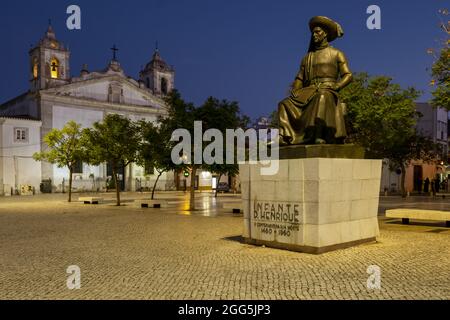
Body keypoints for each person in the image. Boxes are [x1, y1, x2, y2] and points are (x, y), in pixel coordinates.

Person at [278, 16, 353, 145]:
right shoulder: (307, 57)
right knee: (284, 103)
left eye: (317, 32)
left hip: (328, 89)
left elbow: (348, 75)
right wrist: (295, 90)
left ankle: (318, 135)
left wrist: (337, 86)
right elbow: (300, 77)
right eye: (313, 32)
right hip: (309, 91)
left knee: (322, 96)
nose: (314, 35)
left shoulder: (336, 53)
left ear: (325, 34)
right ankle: (285, 137)